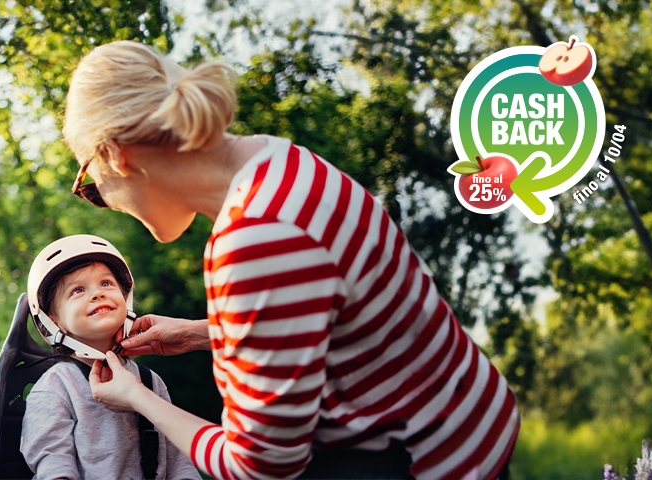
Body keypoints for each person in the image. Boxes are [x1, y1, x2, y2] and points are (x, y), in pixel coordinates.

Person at [58, 41, 520, 480]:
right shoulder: (276, 160)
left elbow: (260, 467)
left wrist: (138, 398)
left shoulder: (254, 239)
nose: (104, 202)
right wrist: (203, 333)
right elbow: (341, 319)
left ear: (117, 155)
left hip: (434, 463)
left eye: (91, 185)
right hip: (468, 420)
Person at [18, 234, 202, 480]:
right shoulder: (56, 387)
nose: (97, 294)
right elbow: (53, 465)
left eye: (106, 283)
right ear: (54, 321)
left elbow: (179, 464)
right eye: (78, 290)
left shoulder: (149, 381)